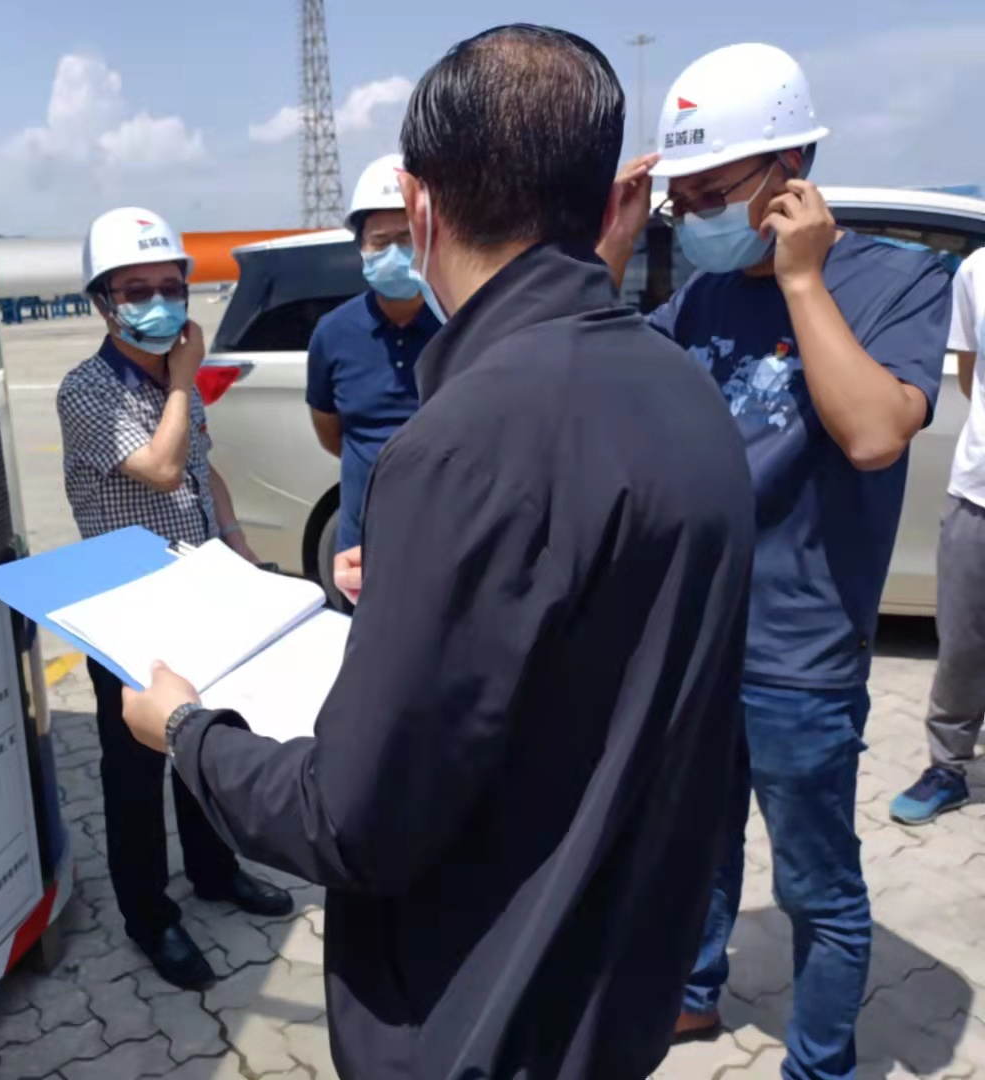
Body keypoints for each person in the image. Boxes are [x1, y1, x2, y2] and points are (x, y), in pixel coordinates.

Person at [118, 26, 755, 1080]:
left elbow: (349, 821)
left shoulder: (465, 443)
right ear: (604, 201)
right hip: (616, 989)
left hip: (485, 1017)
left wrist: (186, 734)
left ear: (419, 206)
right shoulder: (681, 385)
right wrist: (433, 584)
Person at [598, 43, 951, 1080]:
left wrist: (801, 280)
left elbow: (876, 433)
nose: (695, 215)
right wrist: (612, 247)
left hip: (800, 653)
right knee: (698, 844)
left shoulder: (896, 279)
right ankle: (692, 991)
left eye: (715, 193)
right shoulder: (701, 298)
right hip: (697, 639)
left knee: (815, 886)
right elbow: (599, 374)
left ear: (791, 170)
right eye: (683, 199)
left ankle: (820, 1063)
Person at [55, 207, 293, 989]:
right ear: (103, 303)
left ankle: (215, 870)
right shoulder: (88, 390)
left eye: (169, 286)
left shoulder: (169, 381)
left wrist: (238, 541)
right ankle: (149, 915)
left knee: (205, 738)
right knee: (135, 769)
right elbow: (160, 469)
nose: (158, 303)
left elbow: (199, 466)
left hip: (200, 590)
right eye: (136, 290)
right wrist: (187, 380)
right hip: (127, 607)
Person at [307, 154, 440, 564]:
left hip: (448, 535)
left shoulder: (461, 324)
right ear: (361, 248)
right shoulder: (333, 333)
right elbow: (332, 435)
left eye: (407, 239)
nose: (395, 253)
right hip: (364, 544)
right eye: (381, 243)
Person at [891, 246, 985, 824]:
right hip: (978, 491)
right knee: (963, 641)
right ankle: (948, 767)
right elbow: (971, 373)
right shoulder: (977, 270)